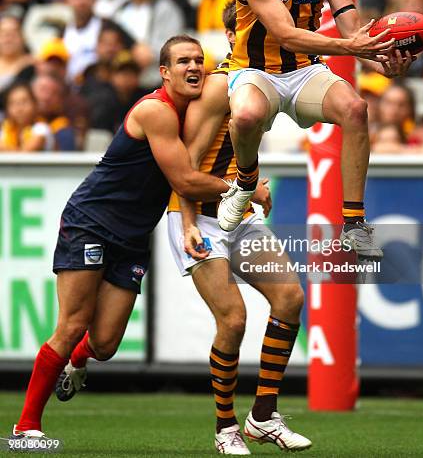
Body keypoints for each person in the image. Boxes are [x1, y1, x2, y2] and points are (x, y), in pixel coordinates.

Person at [10, 35, 248, 443]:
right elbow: (184, 179)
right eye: (183, 61)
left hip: (133, 236)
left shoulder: (194, 113)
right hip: (92, 222)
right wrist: (245, 187)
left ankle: (78, 363)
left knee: (103, 344)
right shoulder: (156, 110)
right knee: (71, 325)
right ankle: (26, 426)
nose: (194, 67)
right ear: (164, 72)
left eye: (198, 61)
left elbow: (187, 182)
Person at [218, 0, 412, 260]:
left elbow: (354, 33)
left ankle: (354, 224)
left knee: (356, 109)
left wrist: (382, 55)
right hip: (256, 70)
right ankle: (244, 184)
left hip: (304, 70)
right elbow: (287, 35)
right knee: (244, 115)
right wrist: (350, 47)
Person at [167, 1, 311, 454]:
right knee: (233, 319)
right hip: (197, 213)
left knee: (290, 298)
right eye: (256, 32)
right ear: (235, 37)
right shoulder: (217, 87)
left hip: (237, 211)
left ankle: (263, 415)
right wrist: (191, 221)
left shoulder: (268, 79)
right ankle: (224, 426)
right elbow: (185, 169)